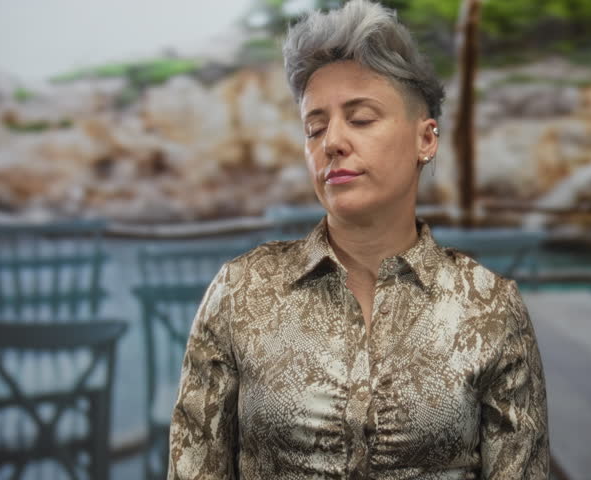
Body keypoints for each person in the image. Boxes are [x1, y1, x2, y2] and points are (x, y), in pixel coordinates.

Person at [168, 0, 549, 478]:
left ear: (425, 140)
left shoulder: (490, 307)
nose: (333, 142)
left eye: (362, 118)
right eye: (315, 127)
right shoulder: (240, 292)